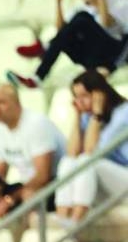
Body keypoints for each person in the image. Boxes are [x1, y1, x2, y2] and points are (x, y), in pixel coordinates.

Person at [8, 0, 128, 88]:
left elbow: (108, 26)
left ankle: (44, 48)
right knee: (71, 28)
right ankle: (37, 78)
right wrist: (58, 1)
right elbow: (61, 33)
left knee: (82, 17)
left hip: (114, 54)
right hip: (91, 58)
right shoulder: (79, 7)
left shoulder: (117, 1)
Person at [0, 85, 65, 228]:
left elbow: (43, 176)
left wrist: (8, 199)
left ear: (16, 103)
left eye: (1, 103)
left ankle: (32, 241)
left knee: (29, 196)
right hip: (26, 185)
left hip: (55, 185)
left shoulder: (37, 124)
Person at [55, 70, 128, 224]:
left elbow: (92, 152)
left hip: (124, 179)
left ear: (99, 94)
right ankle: (63, 219)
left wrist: (96, 114)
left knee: (87, 161)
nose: (79, 102)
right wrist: (77, 117)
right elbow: (72, 152)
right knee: (67, 162)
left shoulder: (123, 113)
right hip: (108, 183)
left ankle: (75, 223)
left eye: (84, 96)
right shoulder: (87, 117)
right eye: (76, 97)